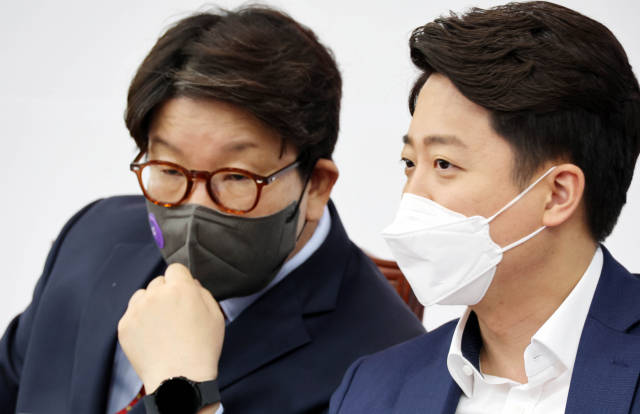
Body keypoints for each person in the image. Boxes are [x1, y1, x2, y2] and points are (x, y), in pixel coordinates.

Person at [0, 6, 425, 414]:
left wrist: (182, 392)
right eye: (169, 169)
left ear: (316, 185)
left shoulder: (392, 367)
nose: (195, 208)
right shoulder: (92, 235)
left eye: (236, 176)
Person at [328, 2, 640, 413]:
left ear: (557, 194)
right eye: (409, 163)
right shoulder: (370, 389)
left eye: (444, 164)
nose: (412, 196)